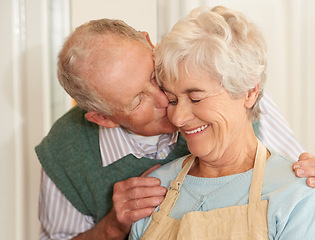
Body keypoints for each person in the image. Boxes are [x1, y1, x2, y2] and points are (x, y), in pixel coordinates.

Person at [35, 17, 315, 240]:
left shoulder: (235, 94)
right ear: (104, 119)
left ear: (150, 44)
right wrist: (112, 227)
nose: (171, 108)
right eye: (137, 101)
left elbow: (298, 176)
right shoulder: (64, 150)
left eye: (155, 77)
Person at [129, 6, 315, 239]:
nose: (177, 118)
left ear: (249, 92)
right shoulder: (153, 191)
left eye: (196, 97)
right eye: (173, 100)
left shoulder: (296, 194)